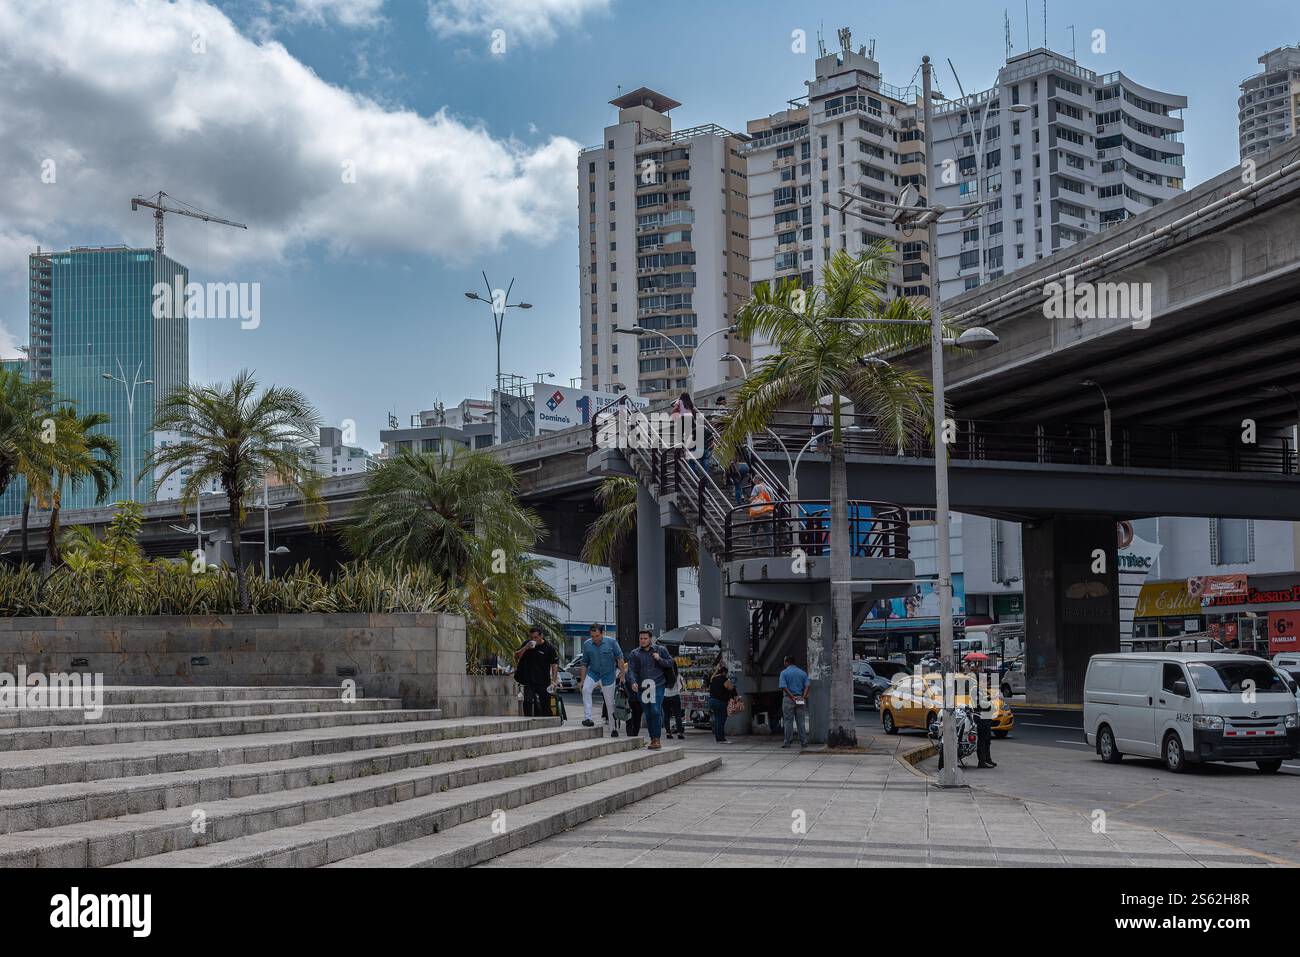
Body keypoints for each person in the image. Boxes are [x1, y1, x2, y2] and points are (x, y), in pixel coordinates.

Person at [625, 629, 673, 750]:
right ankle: (653, 739)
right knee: (648, 713)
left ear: (650, 639)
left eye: (645, 638)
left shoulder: (660, 650)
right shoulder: (635, 653)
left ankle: (656, 738)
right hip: (643, 688)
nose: (642, 641)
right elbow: (632, 670)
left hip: (658, 685)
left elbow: (671, 663)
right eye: (641, 638)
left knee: (656, 710)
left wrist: (660, 659)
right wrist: (633, 682)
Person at [578, 623, 625, 737]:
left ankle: (613, 728)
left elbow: (620, 658)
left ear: (602, 633)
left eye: (597, 636)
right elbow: (584, 663)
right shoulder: (587, 644)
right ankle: (588, 718)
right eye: (593, 636)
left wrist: (622, 675)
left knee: (609, 703)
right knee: (585, 690)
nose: (595, 639)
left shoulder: (612, 642)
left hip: (608, 675)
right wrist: (582, 680)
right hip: (593, 673)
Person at [513, 626, 558, 718]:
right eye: (531, 637)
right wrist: (525, 648)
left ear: (541, 636)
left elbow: (554, 665)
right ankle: (527, 720)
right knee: (527, 702)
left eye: (535, 637)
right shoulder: (527, 644)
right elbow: (516, 656)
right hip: (529, 679)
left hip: (543, 680)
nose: (533, 639)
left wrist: (553, 680)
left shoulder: (549, 648)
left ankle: (549, 721)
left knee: (545, 703)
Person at [778, 655, 810, 749]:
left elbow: (783, 686)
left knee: (788, 721)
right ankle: (804, 742)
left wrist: (792, 697)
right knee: (801, 721)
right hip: (800, 698)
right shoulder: (802, 673)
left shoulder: (784, 673)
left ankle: (787, 742)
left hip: (788, 699)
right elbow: (808, 686)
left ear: (787, 662)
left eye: (784, 661)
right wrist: (803, 697)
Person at [707, 663, 735, 743]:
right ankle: (721, 738)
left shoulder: (713, 679)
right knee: (721, 720)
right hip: (720, 702)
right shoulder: (724, 679)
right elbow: (731, 688)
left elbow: (712, 677)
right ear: (725, 673)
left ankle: (718, 737)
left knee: (717, 720)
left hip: (712, 701)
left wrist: (716, 670)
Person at [748, 475, 775, 554]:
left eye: (754, 481)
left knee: (753, 530)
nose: (754, 483)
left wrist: (749, 500)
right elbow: (772, 501)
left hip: (759, 513)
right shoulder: (770, 489)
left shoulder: (757, 487)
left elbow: (752, 499)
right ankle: (771, 551)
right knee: (769, 532)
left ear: (757, 480)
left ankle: (754, 548)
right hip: (768, 513)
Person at [662, 664, 686, 740]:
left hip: (665, 696)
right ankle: (679, 733)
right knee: (678, 715)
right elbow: (683, 685)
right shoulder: (677, 674)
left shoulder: (662, 675)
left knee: (666, 715)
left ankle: (668, 733)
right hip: (675, 695)